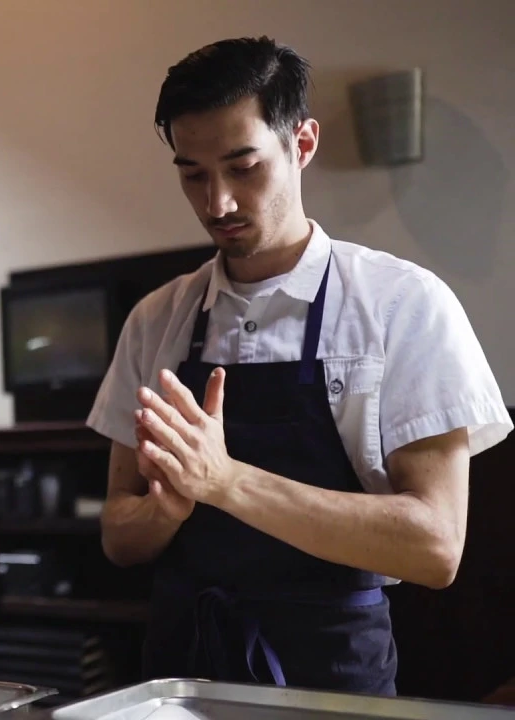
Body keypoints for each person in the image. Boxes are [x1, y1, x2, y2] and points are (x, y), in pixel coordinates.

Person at [88, 36, 512, 696]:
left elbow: (435, 547)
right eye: (192, 173)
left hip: (332, 683)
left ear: (302, 144)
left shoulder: (403, 304)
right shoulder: (156, 320)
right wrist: (165, 512)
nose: (218, 203)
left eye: (243, 166)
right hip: (182, 676)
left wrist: (225, 483)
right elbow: (120, 535)